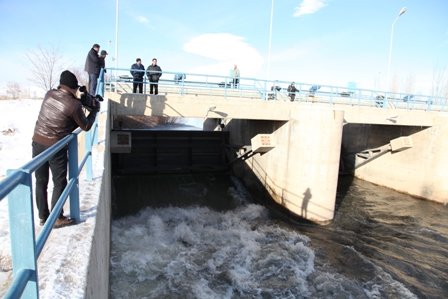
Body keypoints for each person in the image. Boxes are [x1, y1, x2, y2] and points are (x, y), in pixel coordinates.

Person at [32, 70, 99, 228]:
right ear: (72, 88)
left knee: (41, 181)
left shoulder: (49, 94)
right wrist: (94, 110)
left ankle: (43, 216)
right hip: (55, 146)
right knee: (59, 183)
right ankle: (57, 217)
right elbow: (86, 126)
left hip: (37, 141)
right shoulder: (73, 105)